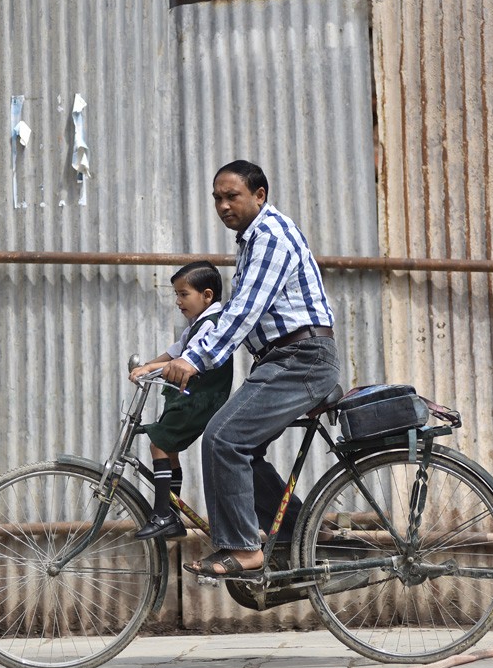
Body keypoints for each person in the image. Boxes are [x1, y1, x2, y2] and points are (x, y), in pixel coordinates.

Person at [162, 159, 340, 578]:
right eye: (217, 199)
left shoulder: (271, 237)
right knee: (240, 445)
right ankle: (300, 527)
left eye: (232, 196)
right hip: (286, 359)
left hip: (303, 359)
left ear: (259, 196)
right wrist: (177, 355)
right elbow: (227, 316)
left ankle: (242, 548)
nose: (223, 205)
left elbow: (244, 312)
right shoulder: (251, 240)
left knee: (224, 439)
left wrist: (197, 359)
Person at [129, 261, 235, 539]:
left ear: (207, 295)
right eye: (176, 295)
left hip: (200, 398)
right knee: (169, 450)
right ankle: (171, 515)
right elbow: (174, 353)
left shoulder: (212, 325)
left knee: (159, 444)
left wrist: (151, 369)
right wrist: (146, 366)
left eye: (183, 294)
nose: (178, 301)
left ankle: (163, 514)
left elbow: (183, 360)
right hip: (188, 396)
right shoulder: (196, 325)